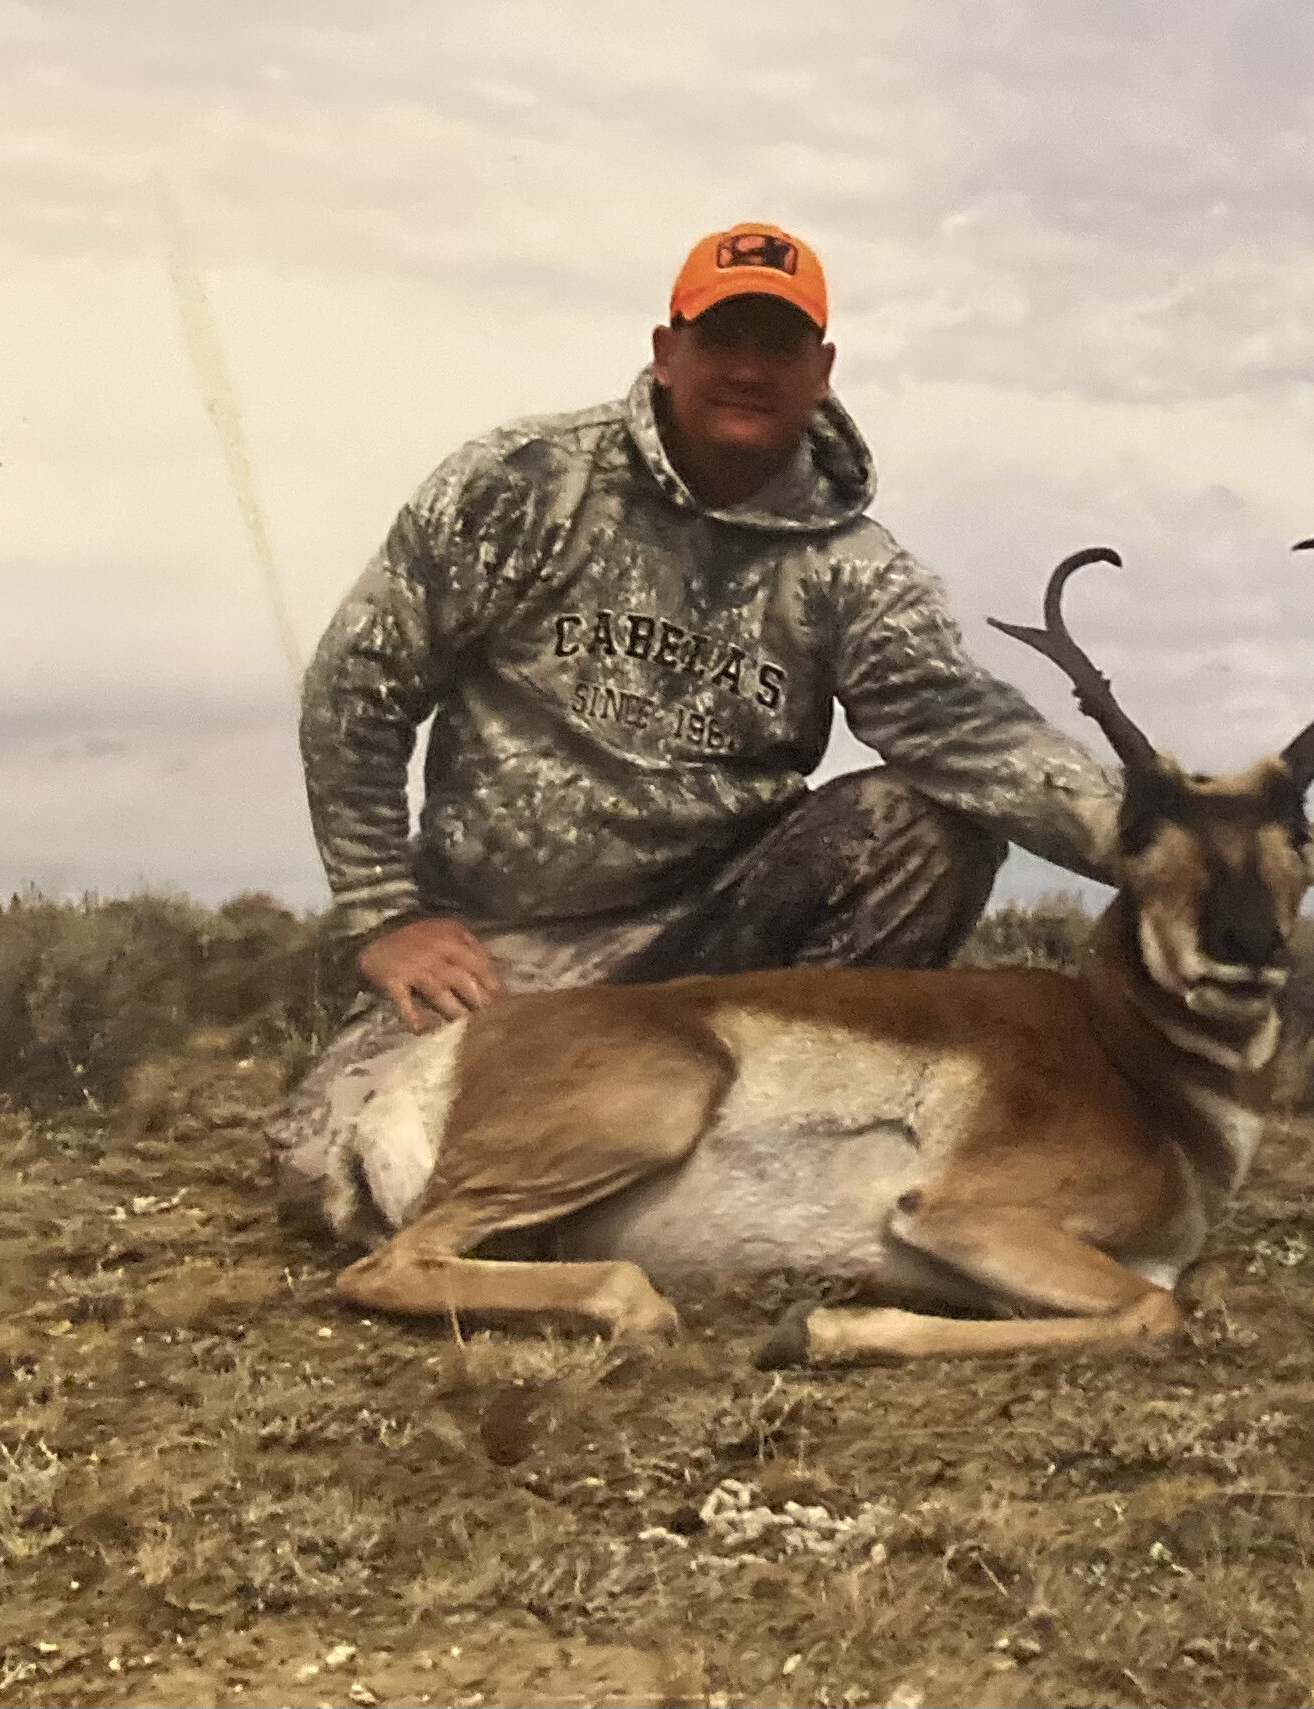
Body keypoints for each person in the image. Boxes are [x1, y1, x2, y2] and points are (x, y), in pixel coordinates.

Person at [269, 221, 1124, 1241]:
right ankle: (629, 1172)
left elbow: (972, 736)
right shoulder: (523, 483)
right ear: (666, 349)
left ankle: (786, 1147)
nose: (748, 370)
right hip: (506, 947)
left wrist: (1177, 853)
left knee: (920, 825)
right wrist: (384, 911)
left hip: (728, 945)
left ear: (822, 370)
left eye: (779, 346)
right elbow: (356, 683)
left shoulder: (854, 569)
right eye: (722, 340)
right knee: (327, 1179)